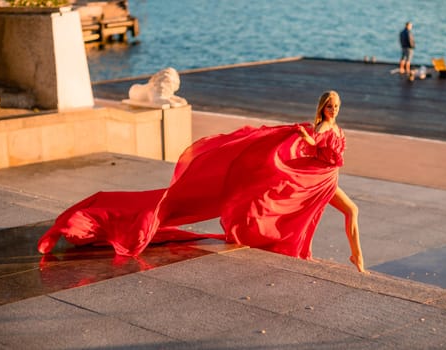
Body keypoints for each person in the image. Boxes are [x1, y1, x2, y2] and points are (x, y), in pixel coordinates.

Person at [38, 91, 367, 273]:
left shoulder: (333, 128)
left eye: (337, 106)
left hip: (323, 181)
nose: (333, 110)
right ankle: (358, 259)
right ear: (322, 107)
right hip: (319, 180)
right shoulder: (320, 130)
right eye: (329, 106)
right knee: (350, 212)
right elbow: (324, 153)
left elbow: (330, 156)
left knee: (350, 212)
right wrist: (306, 139)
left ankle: (357, 258)